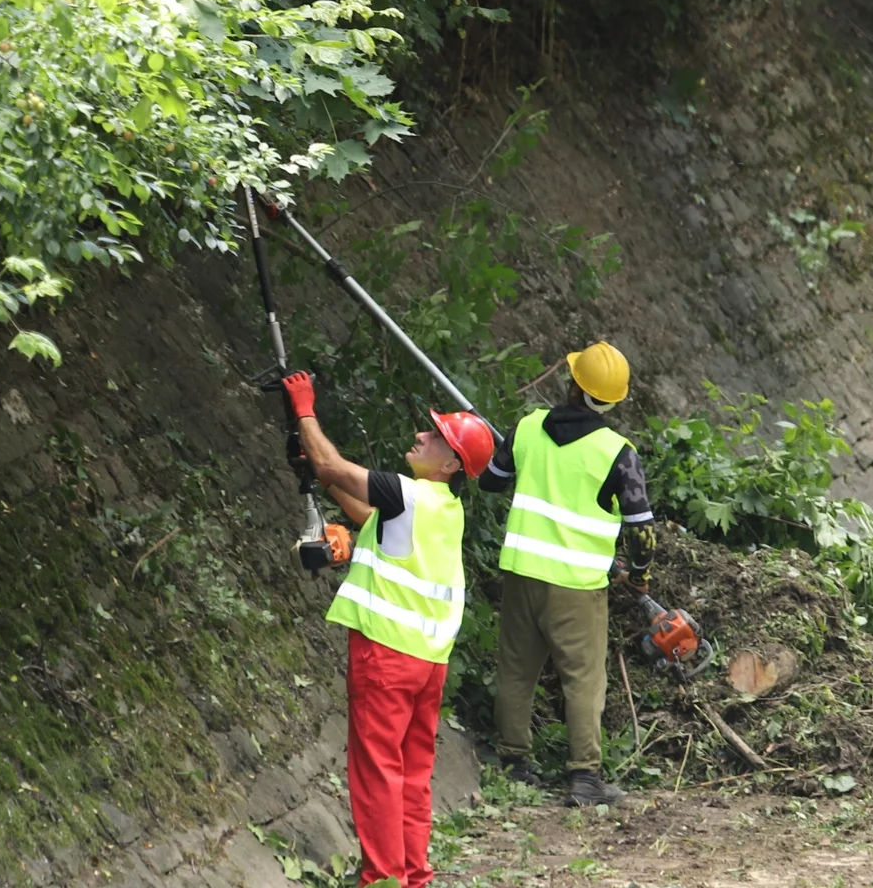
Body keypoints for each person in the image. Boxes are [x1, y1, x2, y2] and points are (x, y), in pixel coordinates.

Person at [281, 371, 495, 888]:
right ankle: (413, 876)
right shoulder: (441, 508)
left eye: (435, 436)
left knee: (377, 772)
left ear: (449, 464)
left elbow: (334, 463)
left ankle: (382, 879)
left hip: (387, 658)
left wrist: (304, 409)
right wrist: (318, 475)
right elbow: (363, 512)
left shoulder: (410, 493)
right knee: (413, 773)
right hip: (428, 662)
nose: (421, 435)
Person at [479, 340, 656, 807]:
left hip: (521, 576)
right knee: (583, 680)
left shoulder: (527, 428)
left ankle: (514, 763)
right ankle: (584, 778)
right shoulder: (618, 453)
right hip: (577, 589)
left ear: (573, 383)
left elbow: (491, 481)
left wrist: (517, 454)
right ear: (614, 400)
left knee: (517, 672)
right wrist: (639, 576)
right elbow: (641, 530)